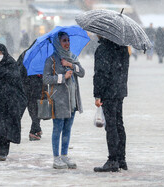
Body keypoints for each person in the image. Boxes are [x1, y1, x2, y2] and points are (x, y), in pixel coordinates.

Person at [43, 32, 85, 169]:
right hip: (58, 100)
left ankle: (64, 155)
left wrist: (71, 65)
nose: (67, 43)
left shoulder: (72, 57)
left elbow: (82, 73)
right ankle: (56, 157)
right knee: (57, 129)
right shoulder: (51, 60)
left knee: (68, 129)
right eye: (64, 41)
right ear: (57, 42)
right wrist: (62, 77)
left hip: (72, 100)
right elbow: (46, 79)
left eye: (68, 40)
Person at [93, 36, 130, 172]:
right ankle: (121, 159)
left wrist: (98, 94)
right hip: (119, 90)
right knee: (119, 124)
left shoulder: (103, 49)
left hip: (108, 92)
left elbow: (101, 73)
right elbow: (123, 70)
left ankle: (112, 160)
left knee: (111, 125)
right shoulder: (123, 48)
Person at [17, 44, 43, 141]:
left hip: (27, 87)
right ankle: (34, 131)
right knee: (35, 110)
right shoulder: (33, 56)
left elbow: (17, 69)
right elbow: (19, 70)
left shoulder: (25, 54)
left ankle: (35, 129)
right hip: (32, 87)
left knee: (29, 110)